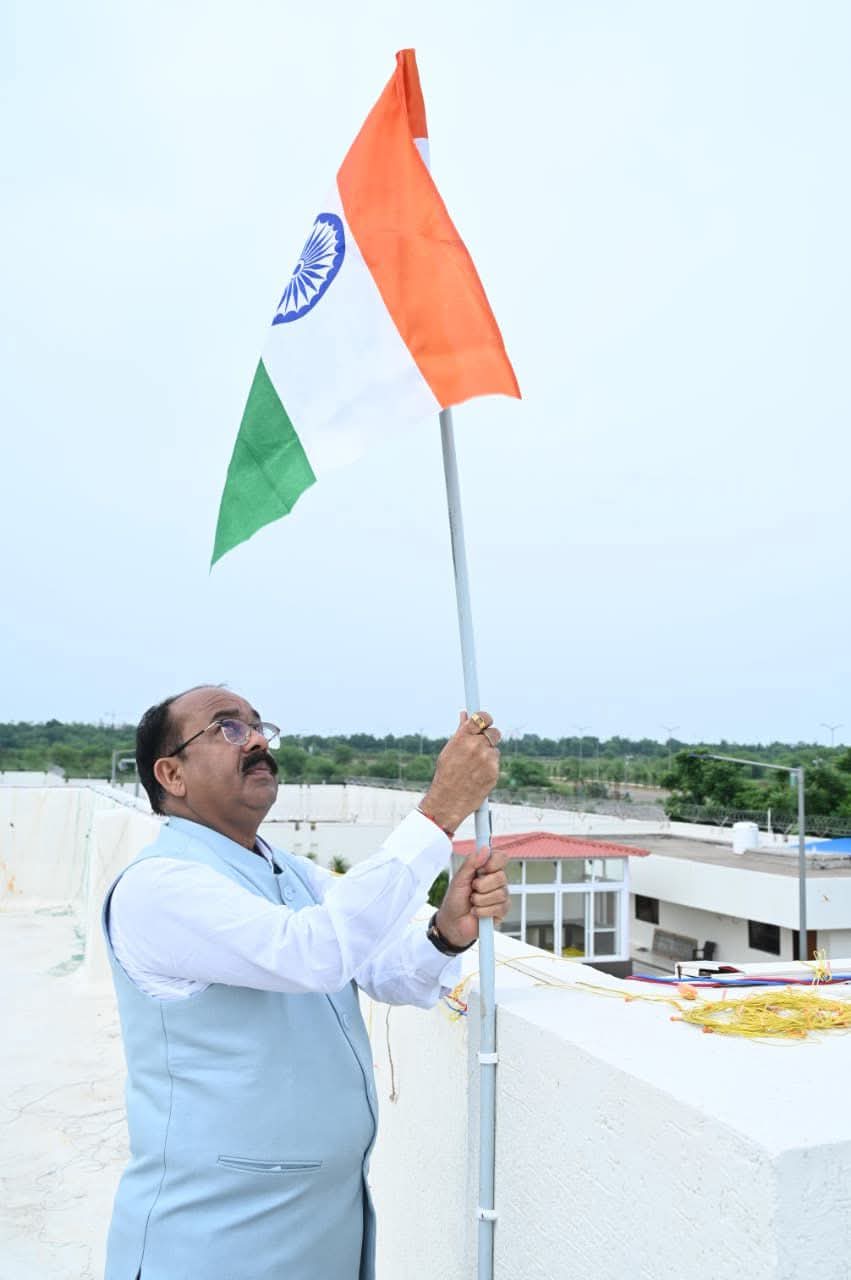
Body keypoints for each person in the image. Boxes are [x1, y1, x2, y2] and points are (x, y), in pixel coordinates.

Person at [102, 684, 508, 1280]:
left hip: (320, 1228)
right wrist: (440, 810)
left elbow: (377, 967)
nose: (257, 741)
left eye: (258, 725)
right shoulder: (158, 886)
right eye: (228, 728)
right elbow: (314, 954)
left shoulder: (285, 869)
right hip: (214, 1241)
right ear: (172, 774)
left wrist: (446, 933)